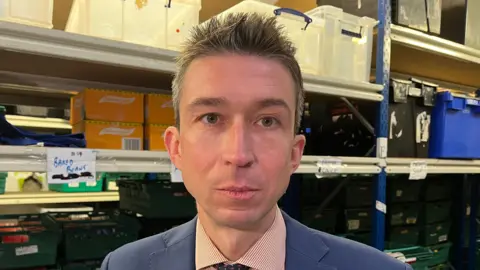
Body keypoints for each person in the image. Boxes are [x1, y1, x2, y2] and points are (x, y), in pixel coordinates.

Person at [101, 12, 412, 270]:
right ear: (176, 148)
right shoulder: (122, 266)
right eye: (211, 118)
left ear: (295, 153)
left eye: (267, 121)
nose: (238, 154)